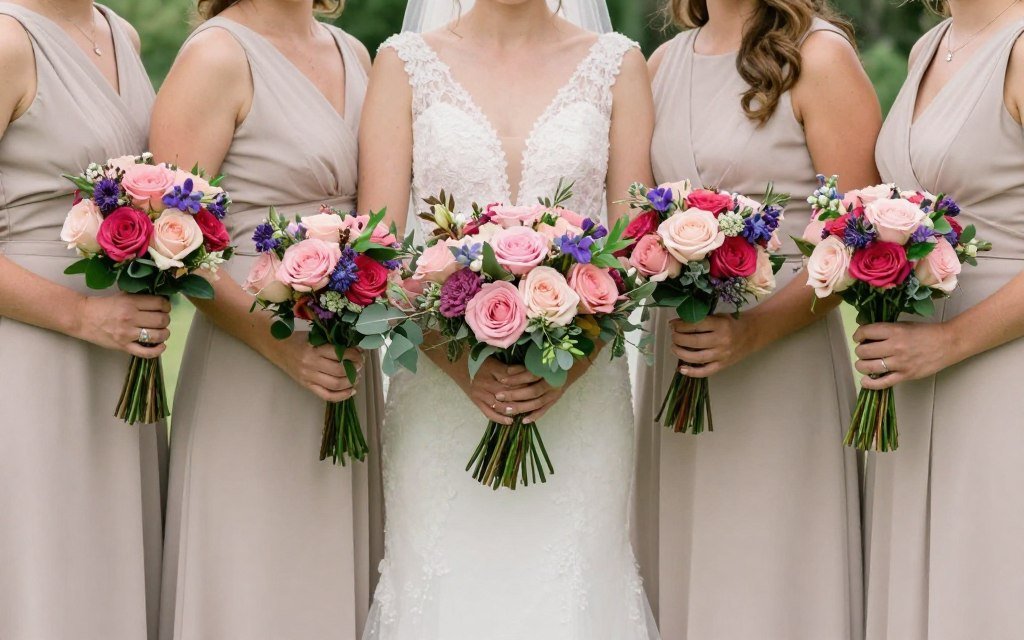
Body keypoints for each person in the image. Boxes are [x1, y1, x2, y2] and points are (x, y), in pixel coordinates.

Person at [357, 0, 659, 637]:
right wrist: (460, 367)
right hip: (440, 392)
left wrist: (568, 367)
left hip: (581, 392)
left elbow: (633, 250)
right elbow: (379, 255)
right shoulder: (402, 64)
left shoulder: (618, 64)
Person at [634, 0, 881, 637]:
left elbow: (858, 237)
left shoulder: (818, 56)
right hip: (680, 360)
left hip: (782, 363)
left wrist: (754, 330)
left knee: (768, 575)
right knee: (689, 570)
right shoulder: (662, 65)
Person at [152, 1, 382, 638]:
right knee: (256, 571)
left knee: (328, 573)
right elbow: (172, 238)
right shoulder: (217, 56)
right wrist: (280, 347)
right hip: (251, 354)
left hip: (345, 350)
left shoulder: (353, 53)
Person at [0, 1, 167, 638]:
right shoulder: (8, 41)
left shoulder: (120, 32)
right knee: (49, 570)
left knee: (109, 570)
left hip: (121, 347)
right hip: (35, 348)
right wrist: (80, 315)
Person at [862, 0, 1024, 637]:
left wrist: (949, 342)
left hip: (998, 365)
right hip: (915, 366)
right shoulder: (930, 45)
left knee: (989, 583)